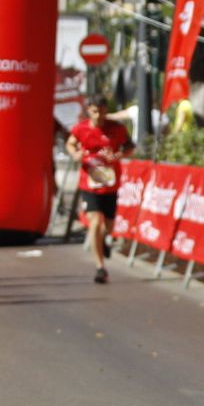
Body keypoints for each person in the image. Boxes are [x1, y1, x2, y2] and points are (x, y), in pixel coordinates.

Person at [65, 97, 134, 284]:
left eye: (102, 111)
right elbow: (70, 143)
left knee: (109, 226)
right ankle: (100, 267)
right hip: (89, 183)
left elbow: (129, 146)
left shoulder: (116, 128)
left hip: (110, 183)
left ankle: (103, 240)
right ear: (89, 110)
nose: (99, 116)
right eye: (95, 111)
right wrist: (75, 154)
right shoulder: (81, 128)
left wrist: (117, 155)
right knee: (94, 222)